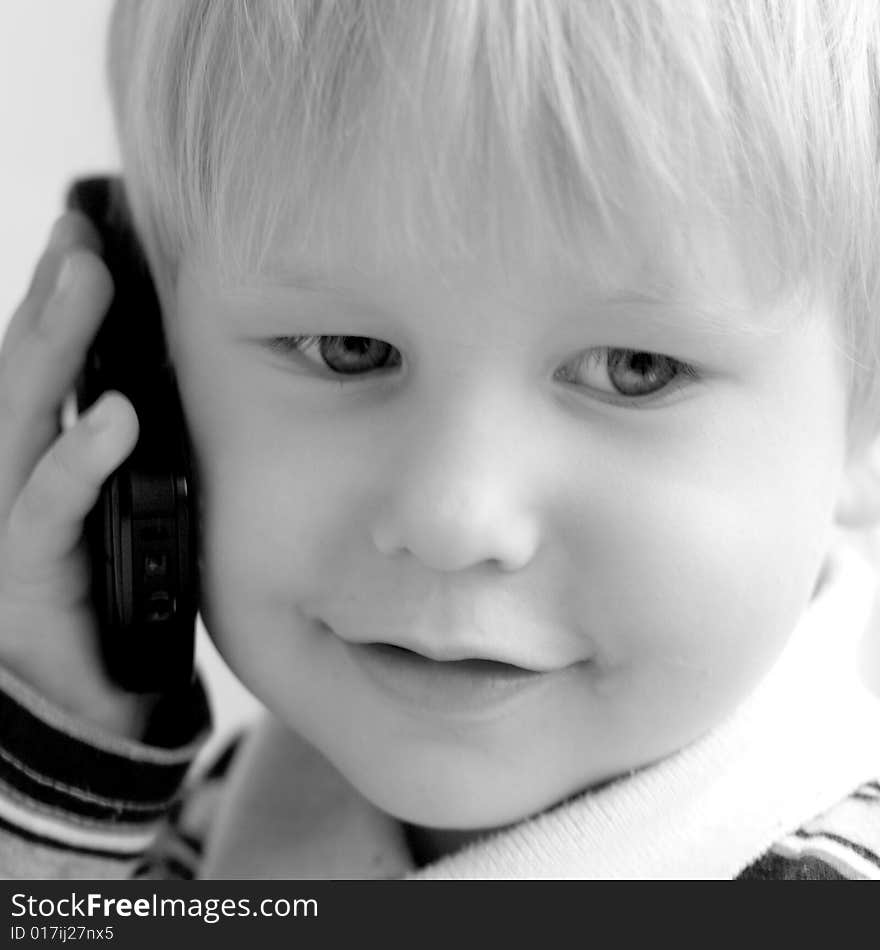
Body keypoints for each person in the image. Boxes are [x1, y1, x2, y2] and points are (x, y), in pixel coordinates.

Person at [2, 0, 880, 880]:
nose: (453, 521)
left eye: (633, 367)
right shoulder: (217, 827)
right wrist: (62, 767)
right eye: (349, 351)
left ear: (864, 425)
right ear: (141, 371)